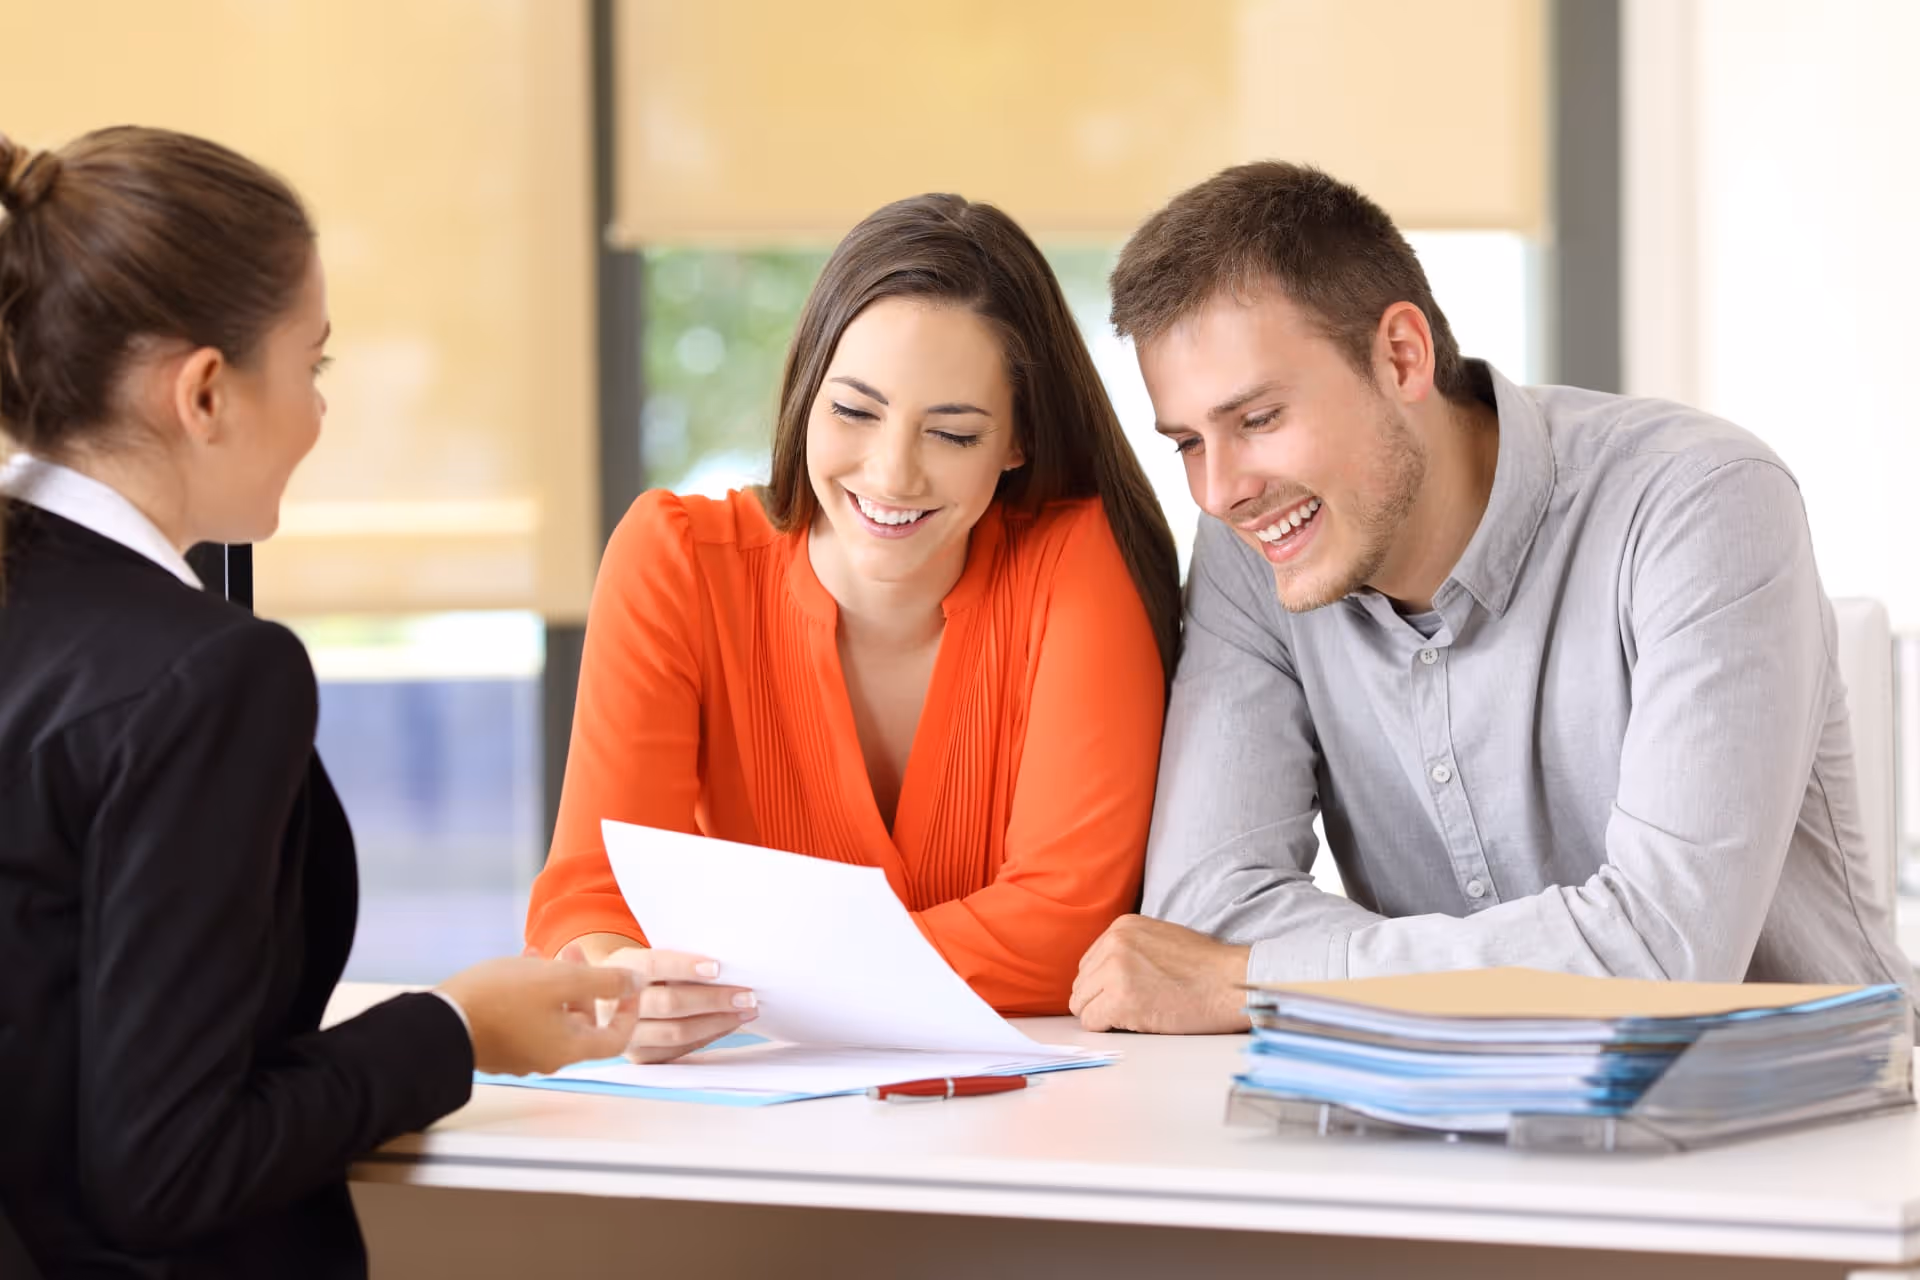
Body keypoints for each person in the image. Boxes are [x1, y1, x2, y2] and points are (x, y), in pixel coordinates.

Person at [0, 126, 644, 1279]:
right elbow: (170, 1165)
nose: (318, 411)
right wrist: (458, 1025)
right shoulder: (206, 676)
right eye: (314, 364)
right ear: (205, 391)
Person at [1069, 161, 1916, 1033]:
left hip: (1794, 1104)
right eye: (1188, 443)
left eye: (1257, 420)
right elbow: (1205, 916)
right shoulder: (1253, 552)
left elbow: (1661, 958)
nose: (1220, 492)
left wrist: (1252, 982)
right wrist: (1345, 976)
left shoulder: (1700, 501)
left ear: (1401, 356)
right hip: (1449, 1108)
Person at [525, 194, 1180, 1056]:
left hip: (1022, 1110)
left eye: (952, 433)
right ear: (807, 394)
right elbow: (593, 891)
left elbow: (1066, 926)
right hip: (750, 1108)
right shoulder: (674, 560)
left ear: (1016, 441)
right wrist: (623, 990)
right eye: (855, 412)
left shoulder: (1075, 564)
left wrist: (744, 986)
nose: (892, 474)